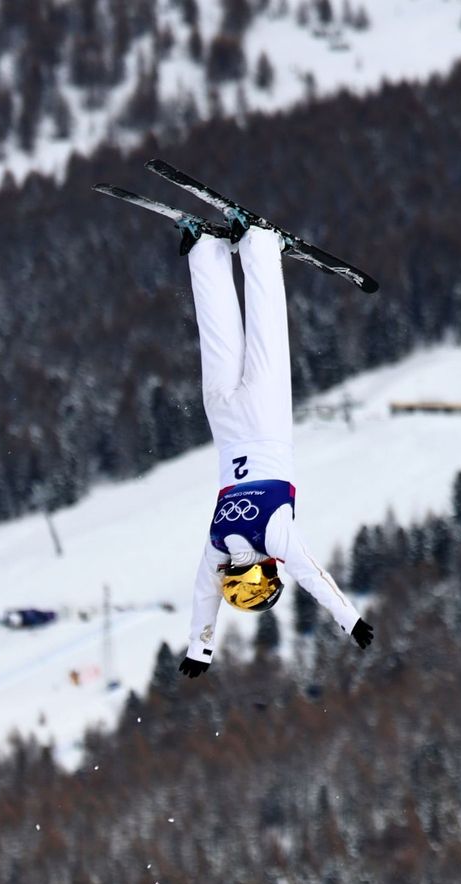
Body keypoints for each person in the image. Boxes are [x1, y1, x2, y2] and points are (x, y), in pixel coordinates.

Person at [178, 225, 373, 679]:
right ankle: (206, 253)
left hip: (263, 425)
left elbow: (314, 578)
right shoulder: (217, 545)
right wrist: (198, 648)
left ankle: (258, 244)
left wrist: (352, 622)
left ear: (265, 574)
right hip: (224, 424)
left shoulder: (275, 536)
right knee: (220, 337)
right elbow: (203, 593)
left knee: (266, 333)